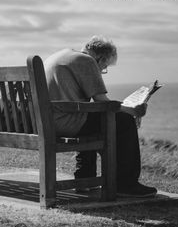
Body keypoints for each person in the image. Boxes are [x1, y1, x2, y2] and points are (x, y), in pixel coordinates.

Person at [44, 36, 157, 197]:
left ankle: (85, 179)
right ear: (100, 58)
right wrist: (133, 111)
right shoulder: (86, 61)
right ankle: (126, 184)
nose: (103, 71)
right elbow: (102, 102)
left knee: (93, 117)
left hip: (46, 121)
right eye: (104, 66)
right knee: (124, 122)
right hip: (65, 122)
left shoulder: (60, 56)